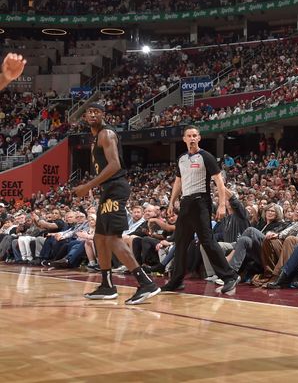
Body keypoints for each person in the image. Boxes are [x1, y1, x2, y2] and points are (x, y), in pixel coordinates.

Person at [74, 103, 160, 305]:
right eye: (89, 112)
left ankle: (146, 283)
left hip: (116, 188)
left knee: (112, 238)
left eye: (97, 111)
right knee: (100, 238)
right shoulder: (95, 137)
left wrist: (88, 185)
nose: (93, 114)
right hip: (107, 189)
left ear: (103, 115)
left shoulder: (107, 134)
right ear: (85, 117)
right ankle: (107, 285)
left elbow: (115, 165)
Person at [161, 125, 240, 295]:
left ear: (199, 138)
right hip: (186, 204)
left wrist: (221, 204)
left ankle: (229, 277)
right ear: (184, 139)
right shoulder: (181, 158)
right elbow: (178, 182)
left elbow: (219, 182)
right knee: (181, 243)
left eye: (194, 135)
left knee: (207, 241)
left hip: (201, 202)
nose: (191, 138)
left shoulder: (206, 156)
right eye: (188, 135)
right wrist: (171, 202)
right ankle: (176, 280)